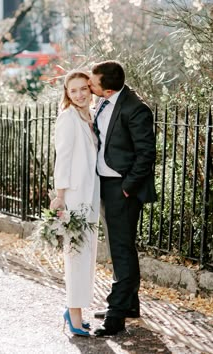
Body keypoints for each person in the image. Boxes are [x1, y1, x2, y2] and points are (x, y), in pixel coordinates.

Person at [88, 60, 157, 336]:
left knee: (121, 249)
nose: (89, 86)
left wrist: (127, 187)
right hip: (105, 185)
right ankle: (129, 304)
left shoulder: (135, 108)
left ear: (106, 88)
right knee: (121, 248)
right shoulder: (102, 103)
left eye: (93, 83)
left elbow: (147, 153)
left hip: (122, 189)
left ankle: (115, 315)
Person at [50, 69, 100, 337]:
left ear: (90, 89)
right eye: (73, 91)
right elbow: (63, 159)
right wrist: (59, 196)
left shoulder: (89, 116)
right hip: (73, 197)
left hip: (90, 195)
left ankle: (75, 309)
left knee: (87, 254)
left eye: (83, 89)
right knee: (76, 254)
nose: (80, 94)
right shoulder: (67, 118)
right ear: (67, 94)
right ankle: (74, 315)